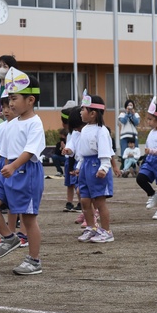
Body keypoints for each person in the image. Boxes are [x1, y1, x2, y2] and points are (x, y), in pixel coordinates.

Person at [0, 67, 45, 275]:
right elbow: (2, 151)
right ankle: (10, 238)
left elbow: (30, 151)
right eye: (9, 99)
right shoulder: (9, 124)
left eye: (15, 98)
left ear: (30, 100)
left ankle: (34, 261)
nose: (10, 103)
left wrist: (13, 166)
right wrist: (0, 169)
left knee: (28, 219)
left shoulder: (35, 123)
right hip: (6, 173)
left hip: (26, 174)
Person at [72, 90, 115, 243]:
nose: (81, 111)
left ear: (93, 114)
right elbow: (82, 152)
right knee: (84, 200)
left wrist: (104, 167)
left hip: (97, 166)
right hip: (86, 166)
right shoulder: (84, 129)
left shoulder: (102, 131)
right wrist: (79, 165)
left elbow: (106, 152)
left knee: (99, 201)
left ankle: (106, 231)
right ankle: (92, 228)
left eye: (83, 109)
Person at [0, 90, 29, 248]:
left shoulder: (22, 124)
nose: (6, 110)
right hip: (4, 165)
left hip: (19, 165)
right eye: (3, 107)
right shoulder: (1, 127)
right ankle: (10, 234)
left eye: (10, 106)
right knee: (10, 202)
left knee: (23, 204)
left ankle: (24, 234)